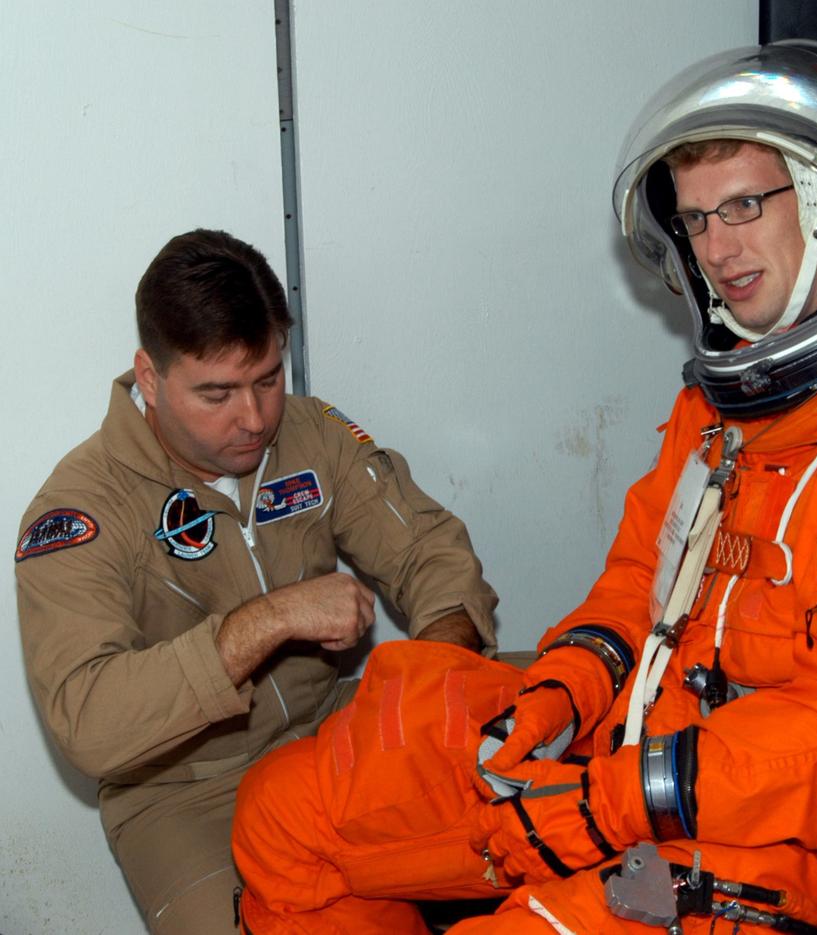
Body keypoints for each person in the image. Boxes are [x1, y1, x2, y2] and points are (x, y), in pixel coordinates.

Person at [231, 42, 817, 934]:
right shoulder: (731, 396)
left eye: (743, 205)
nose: (717, 248)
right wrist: (565, 689)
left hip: (793, 853)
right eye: (697, 221)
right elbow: (639, 581)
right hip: (637, 759)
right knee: (286, 813)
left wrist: (624, 797)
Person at [14, 229, 498, 935]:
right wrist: (265, 620)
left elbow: (428, 549)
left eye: (269, 377)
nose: (255, 417)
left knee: (555, 805)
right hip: (183, 791)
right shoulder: (80, 509)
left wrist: (435, 682)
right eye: (217, 393)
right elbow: (87, 721)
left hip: (332, 730)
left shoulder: (309, 432)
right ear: (149, 378)